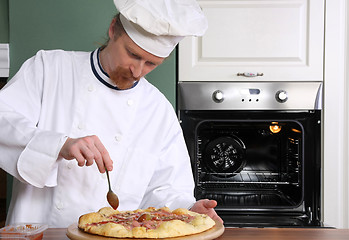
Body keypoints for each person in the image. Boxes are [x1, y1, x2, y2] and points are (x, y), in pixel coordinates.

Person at [0, 0, 222, 228]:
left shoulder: (158, 110)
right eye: (132, 54)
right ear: (113, 28)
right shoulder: (50, 68)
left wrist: (187, 211)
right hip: (41, 232)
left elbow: (166, 188)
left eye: (151, 64)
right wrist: (59, 145)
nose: (137, 71)